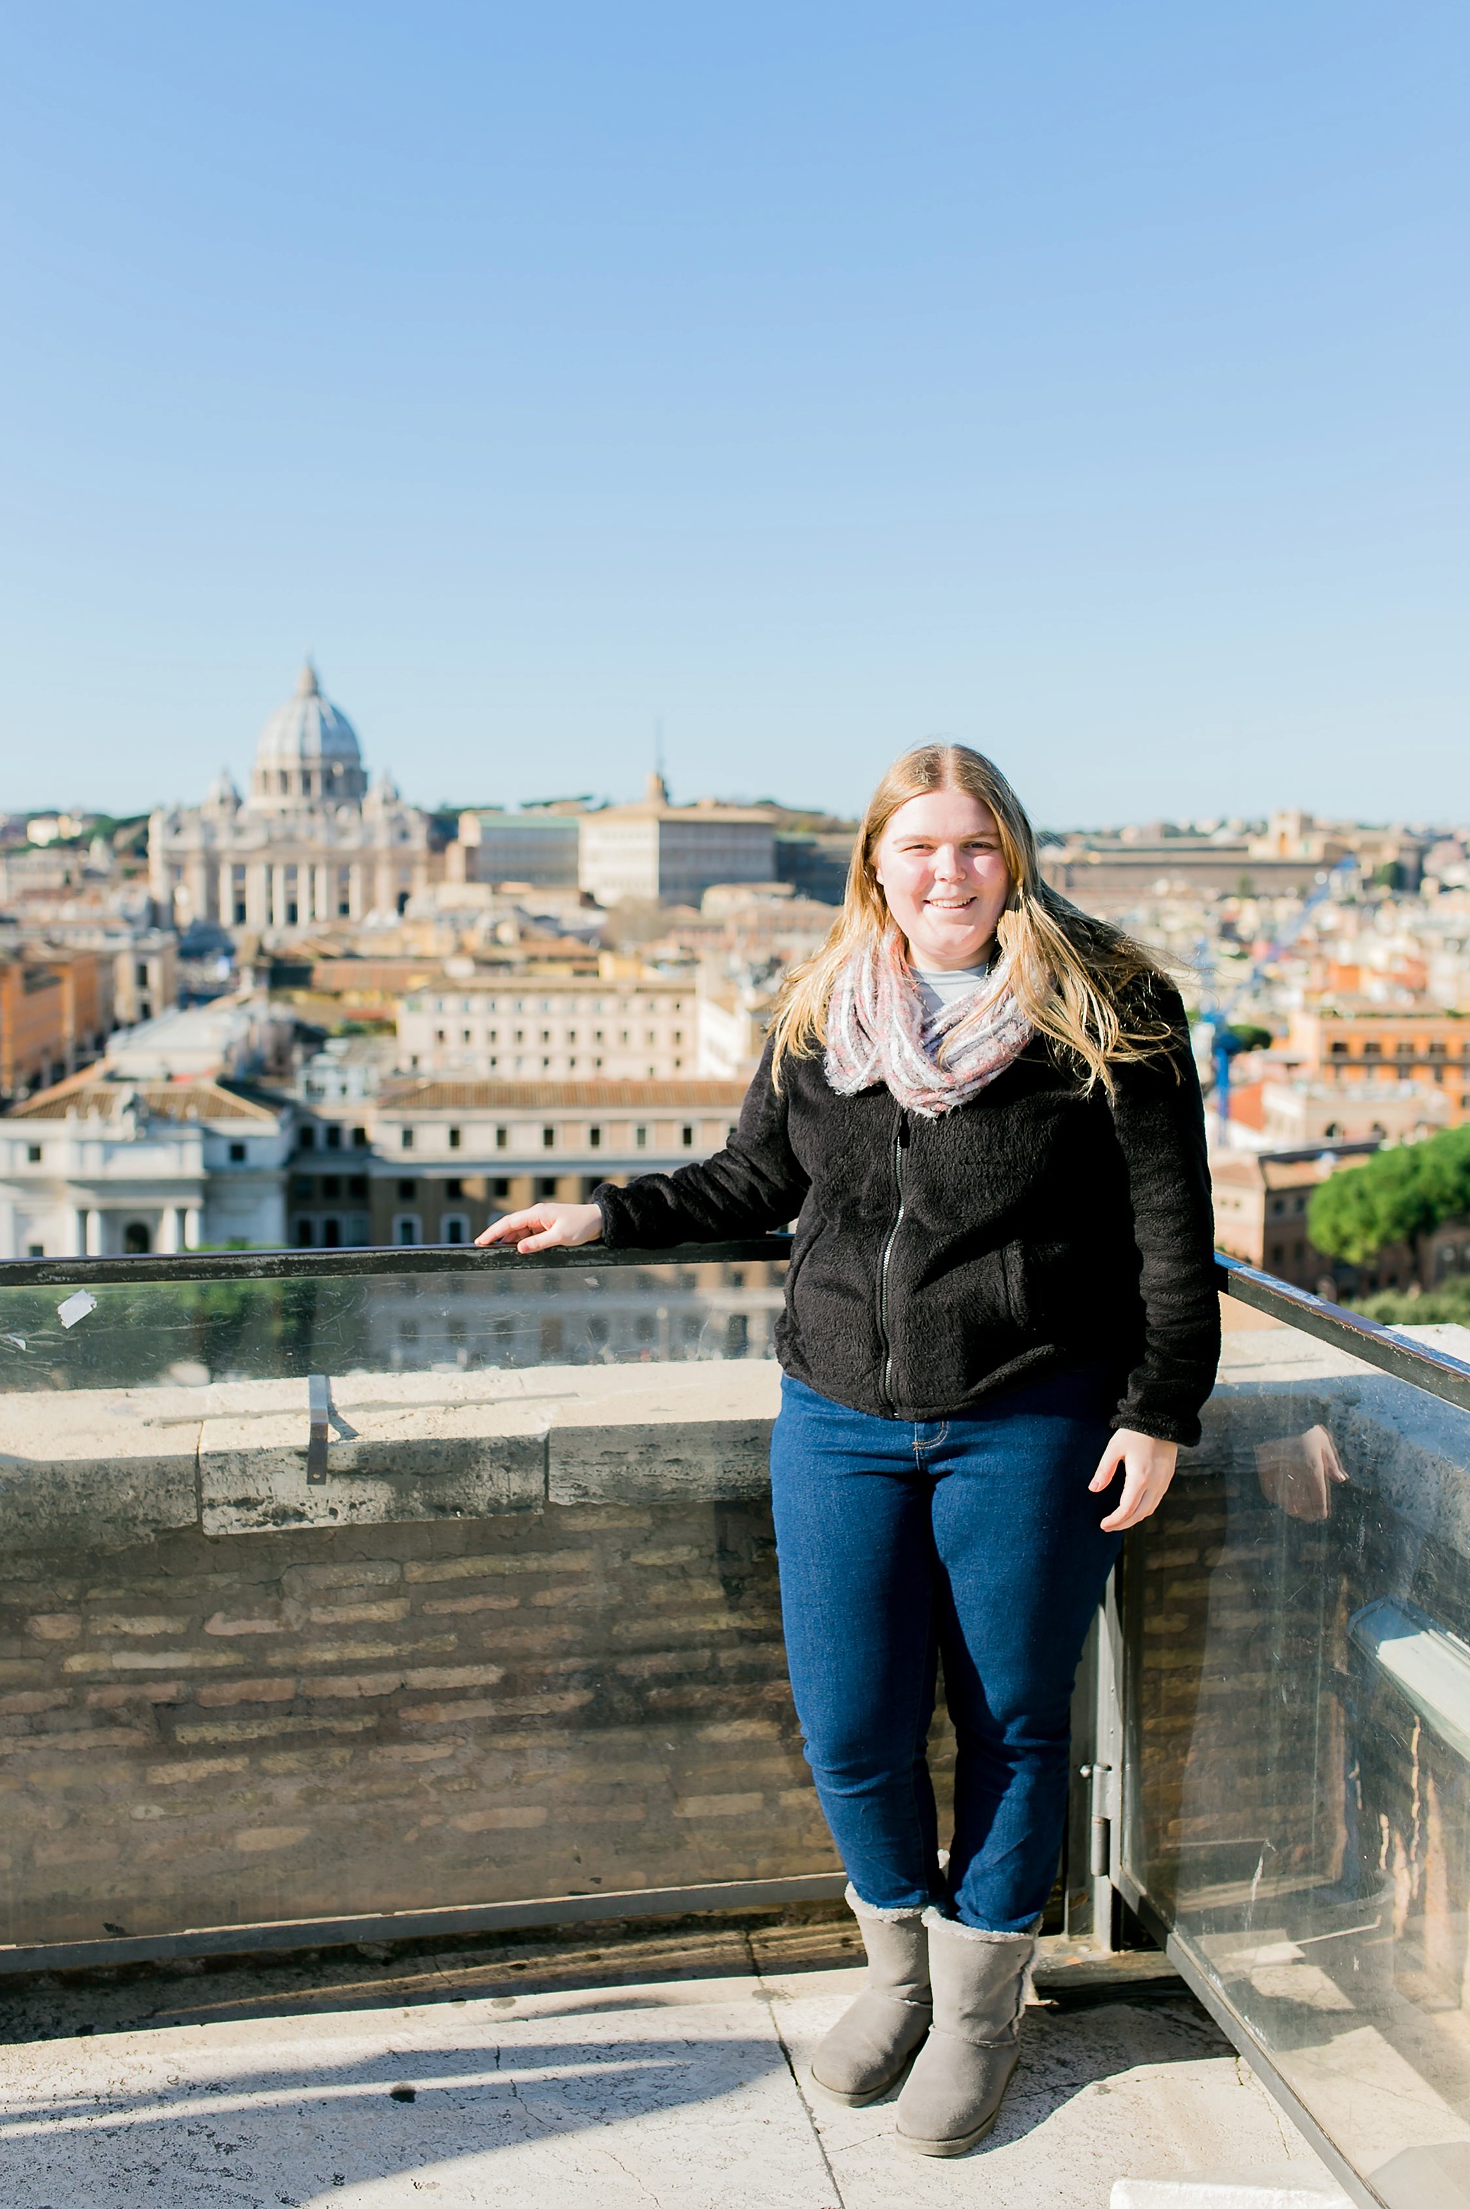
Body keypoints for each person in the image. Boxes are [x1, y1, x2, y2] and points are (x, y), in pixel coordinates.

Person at [478, 743, 1219, 2156]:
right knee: (852, 1726)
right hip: (837, 1415)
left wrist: (1159, 1410)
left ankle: (982, 2013)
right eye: (921, 847)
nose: (950, 873)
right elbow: (759, 1176)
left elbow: (1169, 1241)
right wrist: (605, 1216)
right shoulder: (823, 1004)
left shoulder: (1112, 1010)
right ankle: (895, 1972)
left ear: (1017, 854)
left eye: (977, 845)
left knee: (1010, 1723)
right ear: (874, 863)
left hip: (1029, 1412)